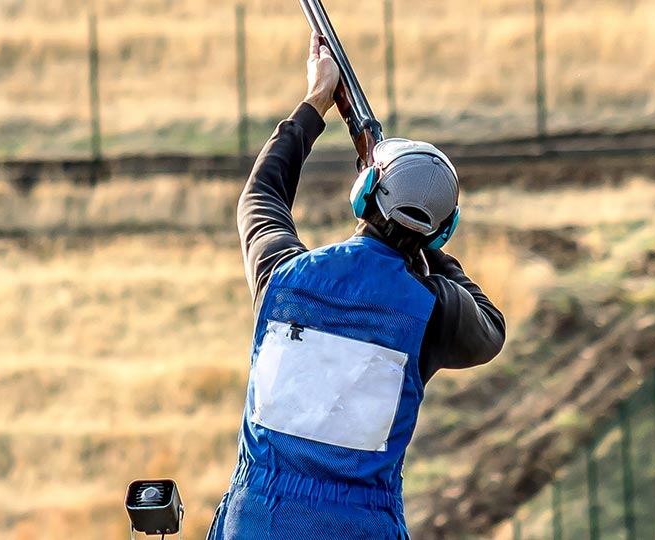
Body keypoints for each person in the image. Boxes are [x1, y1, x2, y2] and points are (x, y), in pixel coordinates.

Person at [206, 33, 506, 540]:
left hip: (257, 521)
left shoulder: (283, 278)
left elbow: (260, 196)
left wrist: (315, 103)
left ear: (362, 194)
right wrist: (423, 246)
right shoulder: (432, 311)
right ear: (443, 229)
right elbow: (490, 328)